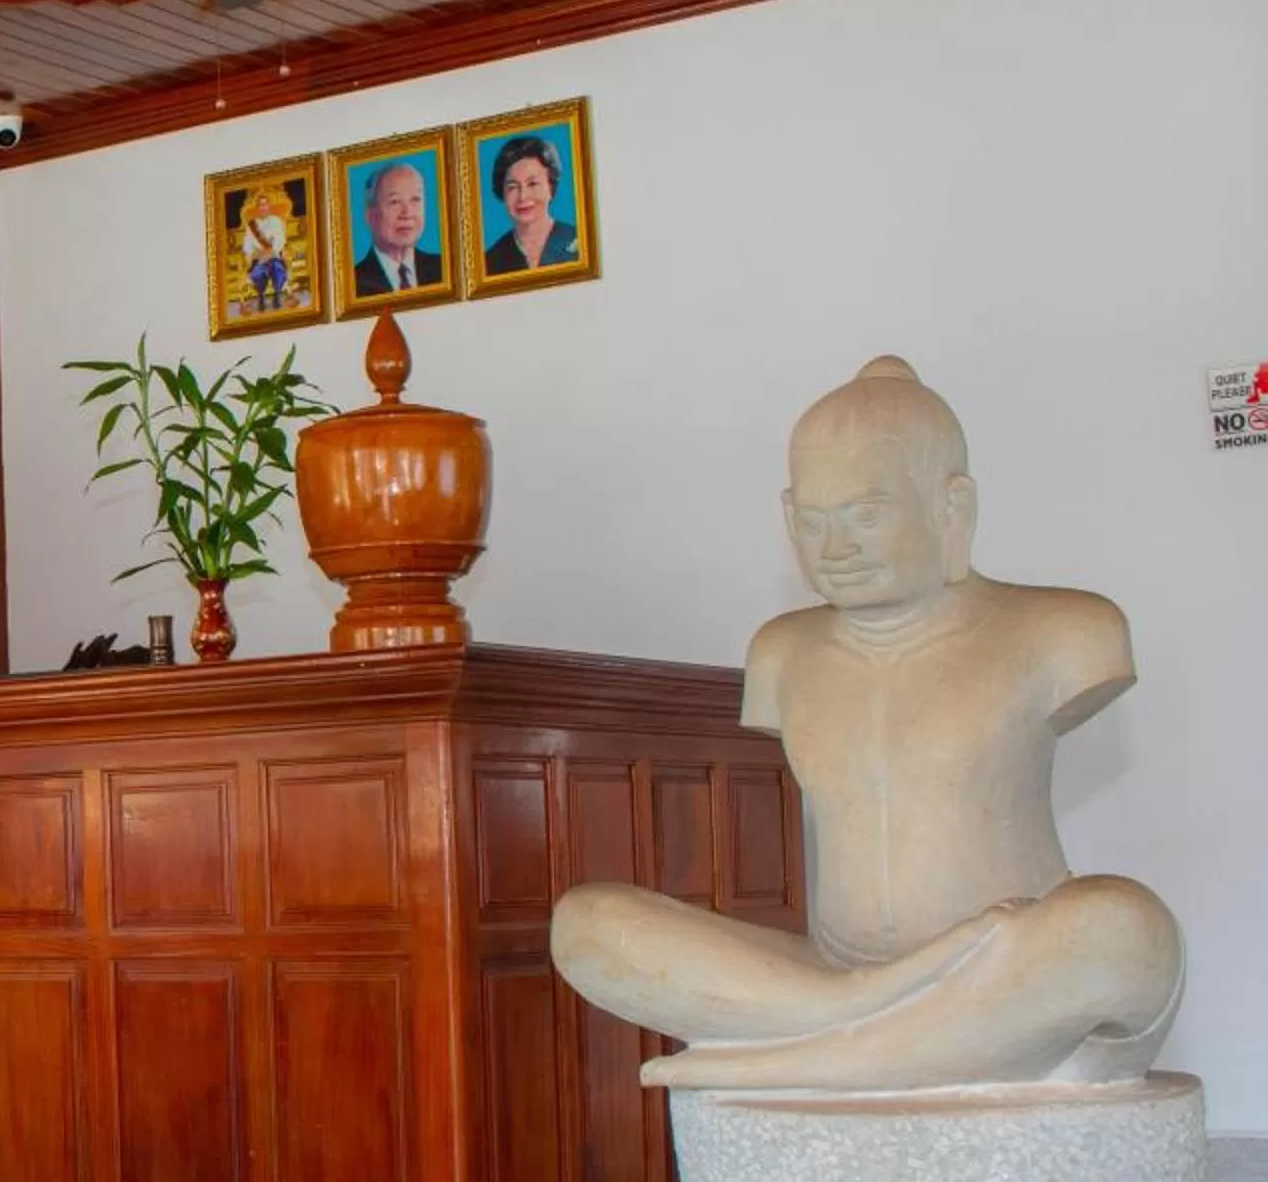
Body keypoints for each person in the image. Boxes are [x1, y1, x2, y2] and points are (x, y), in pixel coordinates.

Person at [550, 358, 1181, 1090]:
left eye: (867, 516)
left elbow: (1091, 942)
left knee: (1122, 929)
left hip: (1009, 965)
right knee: (585, 923)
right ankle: (864, 1017)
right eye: (813, 523)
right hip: (834, 973)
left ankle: (815, 1059)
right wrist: (857, 987)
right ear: (789, 516)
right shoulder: (783, 651)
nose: (836, 549)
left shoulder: (1067, 631)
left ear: (954, 509)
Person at [479, 134, 579, 277]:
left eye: (532, 184)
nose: (523, 196)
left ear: (550, 187)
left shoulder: (580, 240)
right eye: (513, 187)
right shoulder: (490, 261)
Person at [350, 159, 443, 298]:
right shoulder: (353, 284)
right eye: (395, 202)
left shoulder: (442, 269)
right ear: (370, 215)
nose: (407, 213)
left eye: (415, 199)